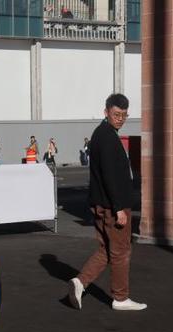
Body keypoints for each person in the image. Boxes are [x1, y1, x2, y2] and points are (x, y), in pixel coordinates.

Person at [68, 93, 147, 311]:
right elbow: (110, 177)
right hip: (113, 206)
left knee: (106, 249)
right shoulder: (107, 137)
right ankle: (120, 298)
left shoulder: (102, 134)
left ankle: (80, 282)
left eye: (123, 115)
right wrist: (119, 208)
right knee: (121, 251)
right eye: (116, 114)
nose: (120, 118)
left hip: (101, 203)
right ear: (106, 112)